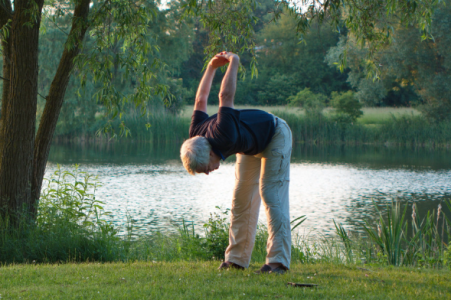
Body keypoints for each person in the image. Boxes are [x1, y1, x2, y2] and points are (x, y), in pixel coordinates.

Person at [180, 51, 292, 274]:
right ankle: (236, 259)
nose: (209, 173)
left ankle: (278, 262)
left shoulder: (224, 134)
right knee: (241, 199)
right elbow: (200, 100)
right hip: (250, 145)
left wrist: (234, 62)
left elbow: (225, 96)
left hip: (275, 134)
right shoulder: (196, 134)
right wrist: (211, 67)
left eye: (205, 169)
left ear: (210, 154)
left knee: (270, 194)